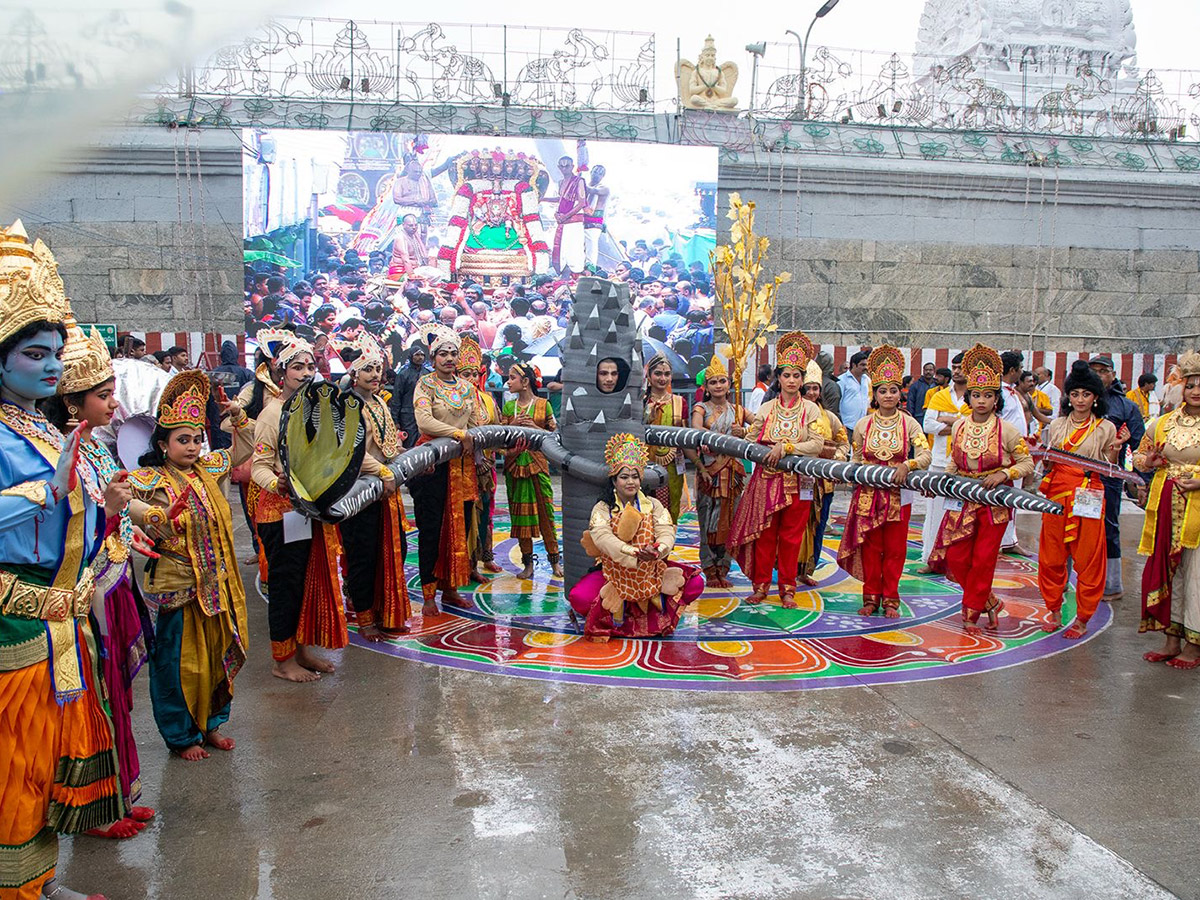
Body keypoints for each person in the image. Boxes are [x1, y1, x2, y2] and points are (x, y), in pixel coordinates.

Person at [0, 223, 124, 900]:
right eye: (35, 354)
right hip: (14, 619)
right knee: (13, 764)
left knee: (44, 761)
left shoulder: (41, 424)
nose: (52, 366)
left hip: (60, 614)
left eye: (54, 354)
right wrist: (43, 490)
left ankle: (38, 883)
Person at [45, 318, 158, 839]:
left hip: (112, 581)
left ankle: (118, 792)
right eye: (104, 394)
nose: (115, 403)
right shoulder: (61, 450)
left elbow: (107, 507)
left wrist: (130, 524)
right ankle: (93, 809)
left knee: (116, 698)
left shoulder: (91, 444)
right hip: (85, 593)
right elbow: (68, 525)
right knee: (94, 697)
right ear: (74, 401)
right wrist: (115, 517)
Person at [129, 370, 254, 762]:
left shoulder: (209, 468)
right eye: (183, 440)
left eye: (198, 438)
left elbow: (245, 447)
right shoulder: (149, 477)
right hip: (179, 585)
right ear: (163, 443)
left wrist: (237, 416)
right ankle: (182, 736)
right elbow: (124, 502)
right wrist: (156, 515)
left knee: (216, 657)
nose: (193, 446)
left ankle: (213, 724)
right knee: (179, 665)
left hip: (217, 585)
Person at [250, 330, 346, 683]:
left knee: (308, 581)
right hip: (281, 511)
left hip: (310, 510)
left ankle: (302, 650)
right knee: (286, 583)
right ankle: (282, 660)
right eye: (297, 367)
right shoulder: (271, 414)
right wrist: (278, 483)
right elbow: (259, 467)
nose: (306, 373)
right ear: (281, 374)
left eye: (310, 366)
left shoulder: (315, 411)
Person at [930, 344, 1034, 634]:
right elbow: (953, 461)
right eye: (976, 395)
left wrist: (1004, 473)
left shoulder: (1008, 430)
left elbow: (1027, 464)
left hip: (994, 504)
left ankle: (971, 613)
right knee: (956, 557)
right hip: (962, 501)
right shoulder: (960, 427)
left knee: (983, 560)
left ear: (995, 399)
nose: (981, 401)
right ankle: (989, 601)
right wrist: (945, 481)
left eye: (988, 395)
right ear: (969, 396)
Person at [566, 433, 704, 641]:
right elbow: (602, 537)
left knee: (696, 584)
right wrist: (633, 552)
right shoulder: (602, 508)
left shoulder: (654, 505)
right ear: (614, 480)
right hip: (615, 573)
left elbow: (666, 531)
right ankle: (635, 615)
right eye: (624, 476)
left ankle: (646, 613)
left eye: (635, 476)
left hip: (651, 571)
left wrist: (658, 550)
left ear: (641, 479)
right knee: (579, 598)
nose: (630, 482)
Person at [728, 331, 826, 608]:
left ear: (803, 379)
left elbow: (817, 444)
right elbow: (750, 441)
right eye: (786, 375)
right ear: (778, 378)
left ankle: (787, 588)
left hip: (798, 480)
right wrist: (739, 435)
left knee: (791, 537)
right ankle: (760, 586)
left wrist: (787, 447)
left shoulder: (811, 410)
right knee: (764, 535)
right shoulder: (767, 407)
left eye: (797, 375)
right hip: (766, 481)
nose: (792, 380)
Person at [837, 346, 931, 618]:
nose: (888, 396)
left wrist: (908, 464)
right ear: (874, 394)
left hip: (899, 496)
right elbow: (856, 458)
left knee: (895, 549)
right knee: (870, 546)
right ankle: (871, 597)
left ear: (900, 393)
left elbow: (924, 454)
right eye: (882, 391)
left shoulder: (909, 424)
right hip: (867, 494)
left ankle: (891, 598)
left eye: (893, 390)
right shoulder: (864, 424)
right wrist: (852, 471)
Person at [334, 334, 411, 643]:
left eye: (378, 369)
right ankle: (365, 618)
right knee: (362, 554)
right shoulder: (346, 405)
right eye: (368, 370)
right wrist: (381, 470)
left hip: (385, 488)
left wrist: (408, 459)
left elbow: (388, 446)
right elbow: (349, 451)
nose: (375, 375)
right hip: (359, 490)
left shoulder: (379, 401)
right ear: (354, 374)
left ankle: (383, 610)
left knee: (394, 549)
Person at [1037, 361, 1118, 640]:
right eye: (1075, 394)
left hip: (1088, 495)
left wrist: (1117, 451)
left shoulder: (1106, 428)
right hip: (1057, 495)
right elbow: (1048, 464)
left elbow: (1110, 467)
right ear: (1068, 397)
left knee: (1088, 559)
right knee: (1051, 557)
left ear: (1096, 397)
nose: (1080, 400)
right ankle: (1054, 611)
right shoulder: (1057, 425)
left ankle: (1083, 618)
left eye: (1086, 394)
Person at [410, 325, 486, 616]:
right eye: (443, 354)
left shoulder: (468, 388)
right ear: (433, 358)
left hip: (463, 468)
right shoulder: (426, 385)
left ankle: (451, 589)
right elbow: (424, 422)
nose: (449, 358)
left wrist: (478, 442)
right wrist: (459, 435)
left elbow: (476, 424)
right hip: (432, 467)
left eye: (453, 353)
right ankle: (429, 594)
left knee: (459, 529)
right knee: (432, 530)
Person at [1135, 351, 1200, 669]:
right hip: (1165, 505)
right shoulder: (1163, 423)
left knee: (1196, 576)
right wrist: (1149, 462)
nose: (1196, 391)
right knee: (1168, 572)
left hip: (1197, 511)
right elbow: (1138, 456)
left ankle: (1194, 644)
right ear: (1181, 389)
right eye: (1191, 385)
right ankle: (1171, 639)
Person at [1089, 354, 1143, 600]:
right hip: (1075, 476)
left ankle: (1112, 584)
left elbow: (1140, 446)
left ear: (1113, 374)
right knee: (1074, 526)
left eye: (1103, 371)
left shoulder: (1126, 407)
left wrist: (1140, 482)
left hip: (1108, 478)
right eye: (1094, 371)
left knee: (1108, 526)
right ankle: (1071, 580)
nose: (1098, 376)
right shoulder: (1079, 401)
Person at [502, 362, 562, 579]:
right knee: (519, 518)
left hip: (538, 466)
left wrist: (535, 429)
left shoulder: (544, 405)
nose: (508, 382)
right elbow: (500, 440)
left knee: (547, 514)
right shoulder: (509, 409)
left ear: (525, 381)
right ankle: (528, 564)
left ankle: (554, 561)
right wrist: (514, 426)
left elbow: (555, 438)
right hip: (515, 467)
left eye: (512, 378)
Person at [691, 356, 747, 588]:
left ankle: (724, 566)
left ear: (729, 383)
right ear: (706, 386)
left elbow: (758, 426)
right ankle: (709, 567)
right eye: (713, 382)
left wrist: (742, 430)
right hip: (709, 473)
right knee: (708, 520)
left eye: (722, 381)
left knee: (731, 521)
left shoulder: (738, 410)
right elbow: (694, 429)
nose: (718, 386)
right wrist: (708, 436)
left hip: (732, 474)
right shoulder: (701, 408)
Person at [799, 361, 850, 585]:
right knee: (796, 526)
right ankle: (789, 568)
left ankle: (807, 571)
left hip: (823, 483)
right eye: (808, 388)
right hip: (798, 480)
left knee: (818, 526)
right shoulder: (795, 415)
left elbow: (844, 443)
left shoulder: (829, 417)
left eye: (815, 388)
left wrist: (837, 460)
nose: (811, 393)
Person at [919, 352, 969, 573]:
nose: (957, 371)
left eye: (961, 367)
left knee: (963, 515)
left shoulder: (978, 396)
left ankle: (955, 562)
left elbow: (981, 424)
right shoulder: (939, 396)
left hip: (968, 465)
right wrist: (962, 423)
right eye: (954, 367)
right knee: (935, 512)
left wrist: (949, 420)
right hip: (940, 461)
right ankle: (932, 559)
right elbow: (928, 425)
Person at [458, 337, 502, 582]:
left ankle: (486, 554)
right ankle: (467, 564)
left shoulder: (486, 399)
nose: (471, 379)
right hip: (464, 467)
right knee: (467, 515)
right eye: (465, 374)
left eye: (475, 373)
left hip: (487, 467)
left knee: (486, 513)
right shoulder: (455, 400)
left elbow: (496, 429)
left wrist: (494, 454)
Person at [644, 353, 687, 522]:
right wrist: (648, 414)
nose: (663, 378)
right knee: (646, 506)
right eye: (658, 373)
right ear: (649, 375)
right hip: (645, 461)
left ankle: (666, 546)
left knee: (671, 506)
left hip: (673, 463)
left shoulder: (679, 402)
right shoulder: (640, 401)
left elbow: (684, 435)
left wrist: (698, 464)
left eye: (667, 374)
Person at [998, 350, 1032, 555]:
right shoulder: (1000, 393)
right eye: (1019, 369)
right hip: (1006, 453)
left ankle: (1009, 539)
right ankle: (1003, 539)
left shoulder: (1012, 392)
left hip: (1018, 452)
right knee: (1005, 497)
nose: (1021, 373)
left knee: (1014, 496)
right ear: (1012, 370)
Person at [542, 142, 590, 274]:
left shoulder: (579, 181)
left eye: (567, 166)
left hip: (573, 221)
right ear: (559, 167)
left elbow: (581, 202)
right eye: (562, 167)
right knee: (562, 248)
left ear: (572, 167)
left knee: (574, 248)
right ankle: (564, 273)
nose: (564, 169)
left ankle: (575, 273)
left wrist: (566, 216)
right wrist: (543, 199)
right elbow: (561, 199)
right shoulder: (561, 182)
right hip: (563, 221)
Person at [390, 343, 427, 449]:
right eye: (417, 355)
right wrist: (395, 420)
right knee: (409, 442)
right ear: (411, 356)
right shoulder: (403, 374)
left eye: (422, 355)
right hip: (407, 414)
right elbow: (396, 397)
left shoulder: (427, 373)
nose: (420, 357)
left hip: (424, 411)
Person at [836, 350, 871, 431]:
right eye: (862, 365)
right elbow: (838, 402)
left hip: (863, 426)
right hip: (847, 425)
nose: (865, 367)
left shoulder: (866, 379)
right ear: (853, 365)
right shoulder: (842, 380)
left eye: (866, 365)